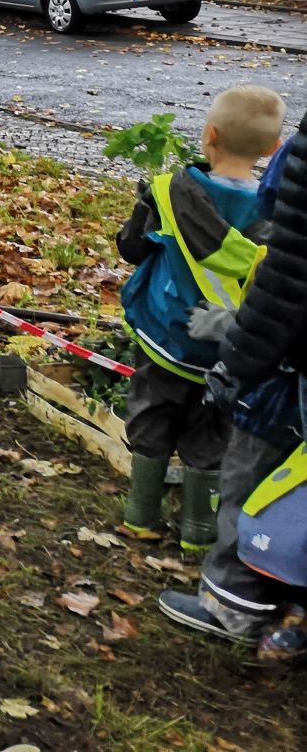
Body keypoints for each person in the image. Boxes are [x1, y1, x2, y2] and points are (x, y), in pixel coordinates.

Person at [161, 113, 307, 657]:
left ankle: (233, 603)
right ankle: (293, 615)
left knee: (251, 478)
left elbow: (287, 275)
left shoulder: (299, 160)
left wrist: (238, 360)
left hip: (285, 366)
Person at [115, 85, 282, 547]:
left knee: (150, 418)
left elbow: (132, 246)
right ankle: (198, 532)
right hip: (226, 353)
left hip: (165, 341)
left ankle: (140, 516)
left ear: (208, 135)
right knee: (210, 437)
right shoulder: (275, 219)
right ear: (272, 149)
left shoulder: (169, 193)